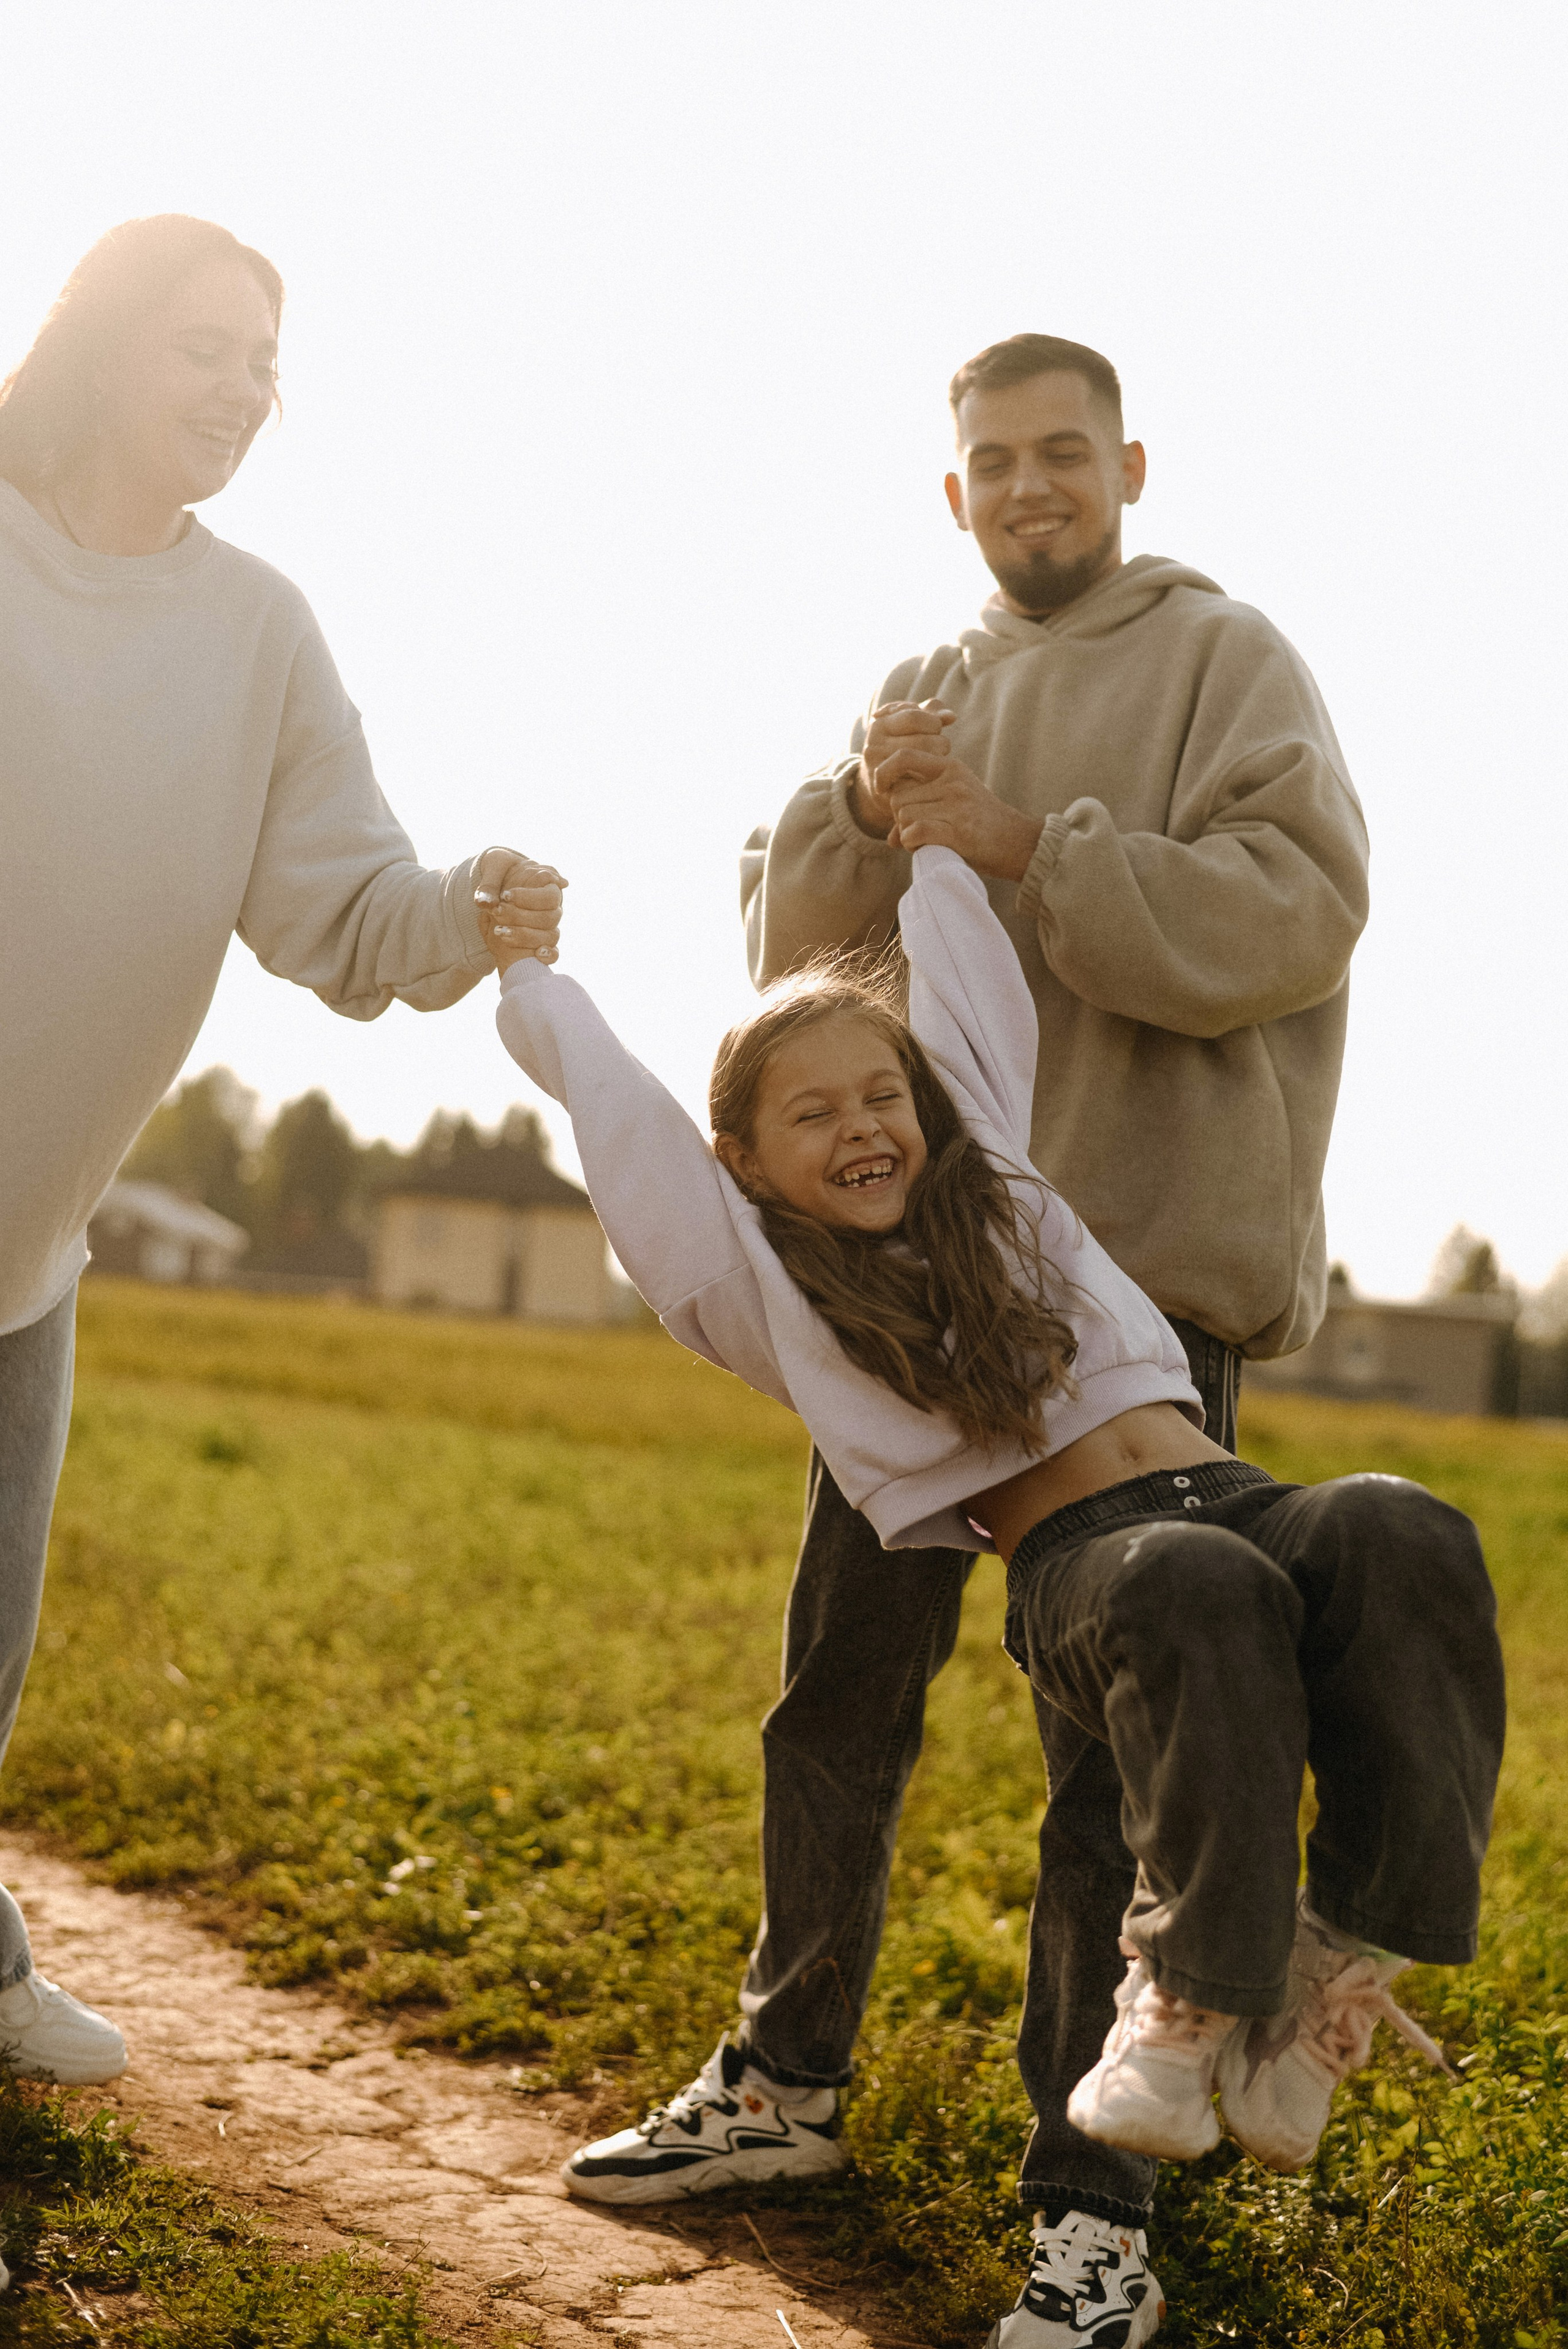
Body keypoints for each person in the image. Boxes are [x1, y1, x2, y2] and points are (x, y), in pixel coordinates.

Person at [564, 333, 1375, 2286]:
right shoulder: (925, 685)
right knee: (837, 1687)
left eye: (1065, 455)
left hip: (1145, 1312)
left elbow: (1298, 907)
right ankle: (786, 2077)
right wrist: (864, 808)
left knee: (1125, 1766)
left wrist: (1025, 845)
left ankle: (1090, 2198)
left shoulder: (1227, 657)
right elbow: (811, 984)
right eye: (994, 461)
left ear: (1129, 466)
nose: (1031, 488)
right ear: (954, 492)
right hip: (920, 1302)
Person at [481, 849, 1501, 2348]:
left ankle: (1328, 1954)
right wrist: (528, 979)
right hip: (1091, 1561)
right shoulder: (751, 1283)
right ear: (745, 1162)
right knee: (1196, 1588)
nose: (862, 1125)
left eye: (878, 1093)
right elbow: (621, 1121)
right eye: (812, 1114)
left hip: (1227, 1490)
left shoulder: (996, 1180)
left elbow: (962, 986)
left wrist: (940, 839)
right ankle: (1184, 1999)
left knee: (1404, 1532)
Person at [0, 215, 564, 2089]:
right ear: (96, 350)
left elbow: (337, 906)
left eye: (266, 358)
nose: (246, 386)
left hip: (25, 1255)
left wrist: (463, 905)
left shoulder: (256, 630)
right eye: (204, 347)